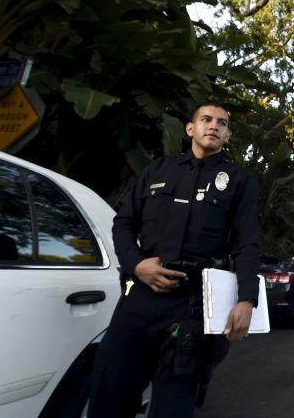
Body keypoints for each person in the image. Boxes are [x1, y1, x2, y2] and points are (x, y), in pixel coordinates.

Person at [88, 100, 261, 418]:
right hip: (139, 297)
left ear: (227, 135)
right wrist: (136, 264)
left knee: (173, 405)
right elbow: (123, 223)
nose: (214, 126)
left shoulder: (238, 181)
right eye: (206, 119)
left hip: (191, 306)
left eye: (221, 123)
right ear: (190, 129)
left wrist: (247, 299)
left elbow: (247, 244)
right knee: (109, 394)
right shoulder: (158, 169)